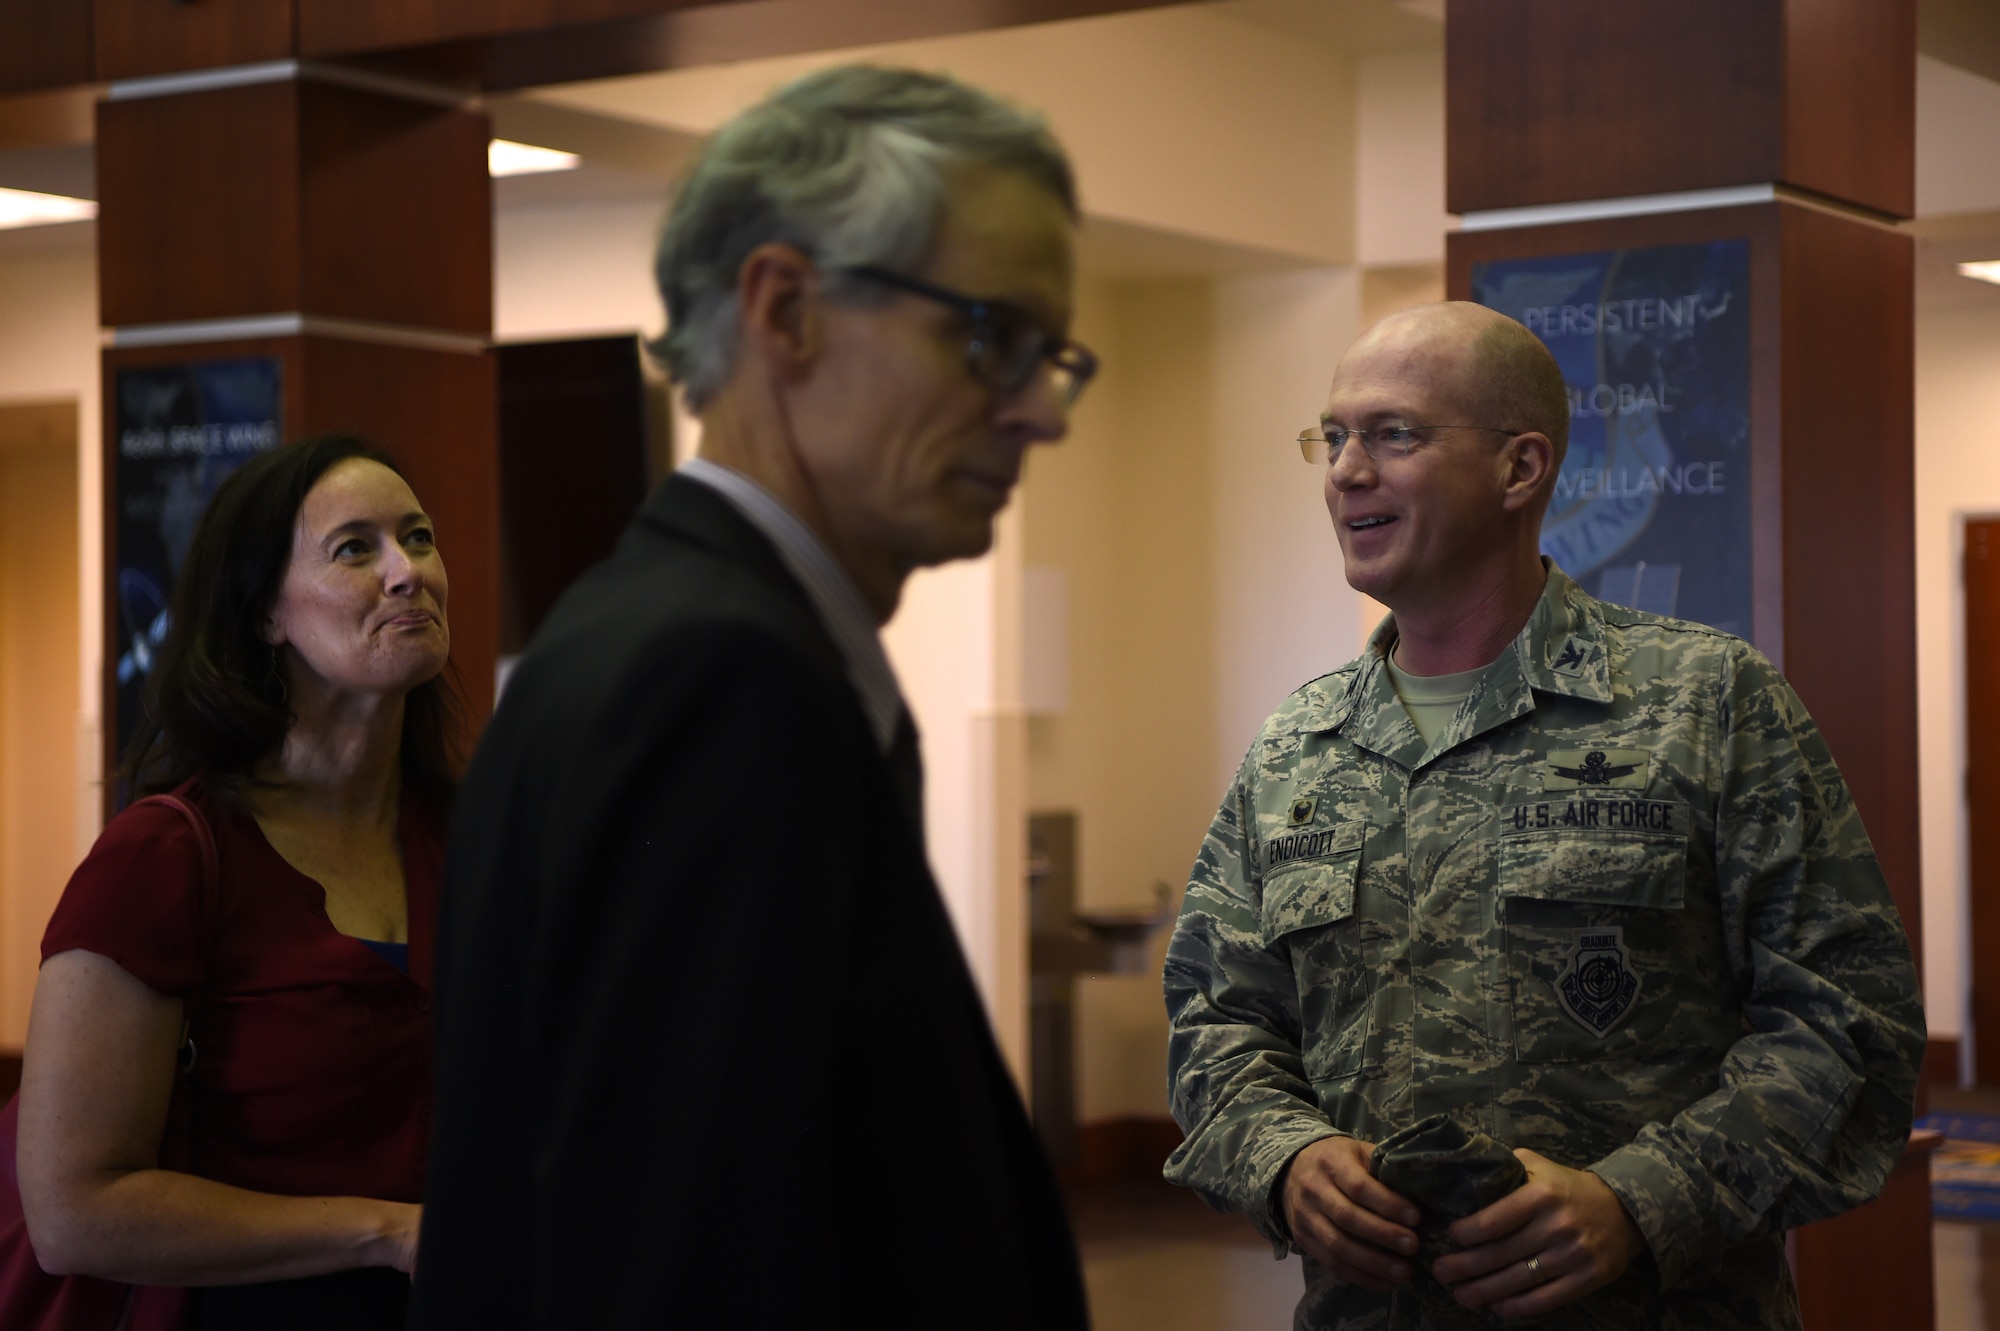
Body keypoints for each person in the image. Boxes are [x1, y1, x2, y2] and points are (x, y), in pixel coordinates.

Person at [412, 66, 1096, 1329]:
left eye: (1054, 357)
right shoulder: (719, 678)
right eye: (991, 335)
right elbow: (689, 1259)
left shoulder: (654, 630)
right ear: (784, 311)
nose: (1038, 412)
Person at [1161, 301, 1924, 1329]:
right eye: (1333, 436)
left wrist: (1641, 1199)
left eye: (1393, 434)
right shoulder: (1298, 744)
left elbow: (1849, 1020)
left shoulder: (1705, 701)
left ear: (1520, 469)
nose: (1344, 470)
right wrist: (1284, 1158)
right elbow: (1219, 1018)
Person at [16, 435, 460, 1329]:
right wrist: (386, 1232)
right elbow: (74, 1212)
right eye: (355, 549)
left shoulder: (477, 837)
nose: (407, 571)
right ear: (264, 614)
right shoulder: (165, 858)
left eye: (417, 537)